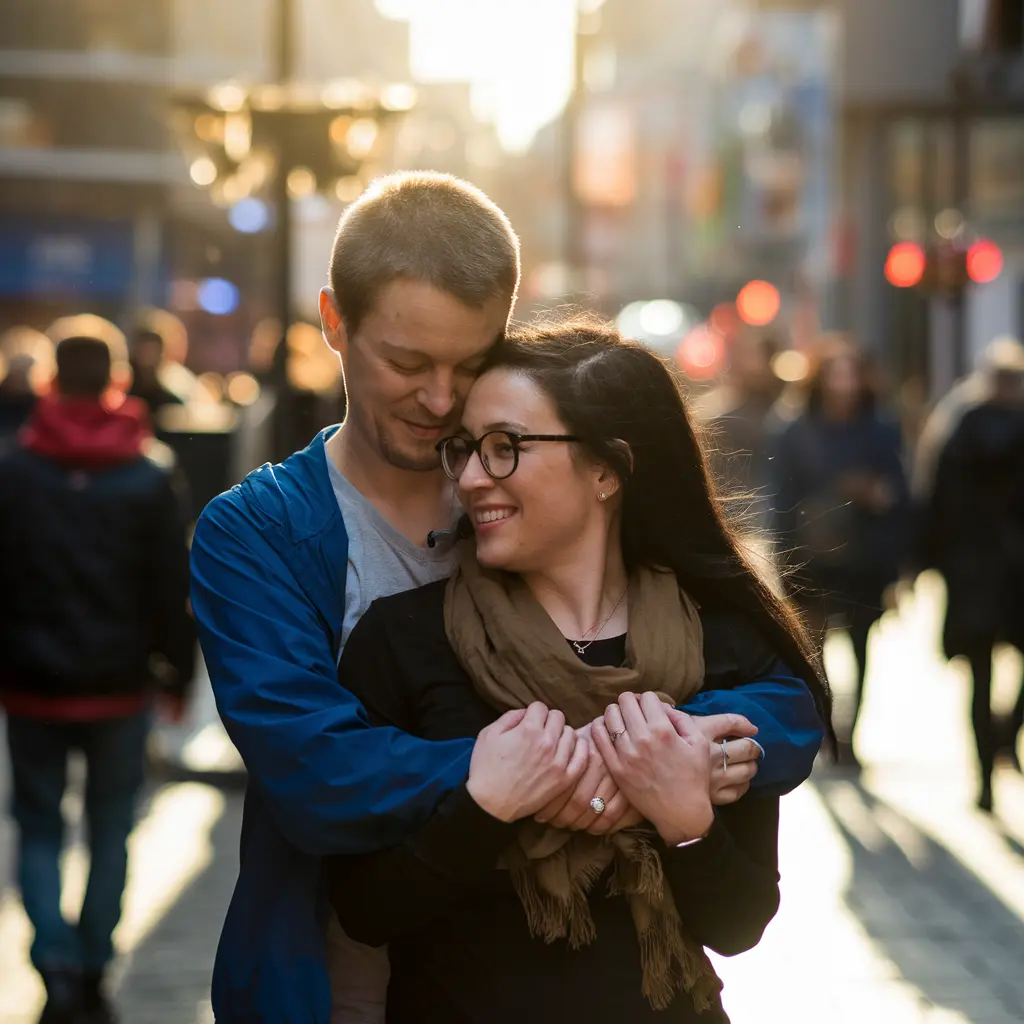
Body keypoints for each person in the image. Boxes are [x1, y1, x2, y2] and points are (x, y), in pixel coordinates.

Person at [190, 172, 826, 1023]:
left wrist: (676, 753)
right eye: (407, 362)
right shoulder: (258, 533)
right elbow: (314, 771)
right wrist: (530, 769)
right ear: (335, 323)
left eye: (471, 362)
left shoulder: (535, 490)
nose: (442, 400)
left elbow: (760, 670)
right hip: (332, 971)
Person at [324, 319, 831, 1023]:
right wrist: (485, 805)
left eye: (504, 448)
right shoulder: (406, 640)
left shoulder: (721, 644)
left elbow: (740, 924)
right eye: (464, 448)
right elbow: (364, 907)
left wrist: (685, 818)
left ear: (605, 470)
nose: (470, 478)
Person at [0, 315, 195, 1023]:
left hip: (30, 685)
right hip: (119, 685)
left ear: (50, 379)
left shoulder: (15, 469)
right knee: (113, 827)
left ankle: (51, 956)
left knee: (39, 825)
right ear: (117, 378)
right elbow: (171, 584)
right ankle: (93, 961)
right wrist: (177, 674)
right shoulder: (148, 473)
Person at [771, 335, 910, 764]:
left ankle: (852, 733)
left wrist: (879, 498)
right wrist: (783, 558)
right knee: (815, 650)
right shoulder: (795, 428)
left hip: (865, 557)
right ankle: (829, 730)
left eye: (851, 374)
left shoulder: (882, 427)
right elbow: (781, 499)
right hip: (811, 556)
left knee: (862, 645)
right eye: (836, 373)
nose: (844, 384)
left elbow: (902, 494)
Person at [919, 347, 1024, 812]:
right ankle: (1000, 743)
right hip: (1004, 572)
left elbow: (936, 504)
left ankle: (986, 768)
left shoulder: (957, 429)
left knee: (979, 677)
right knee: (984, 675)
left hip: (974, 573)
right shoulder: (966, 429)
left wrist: (929, 562)